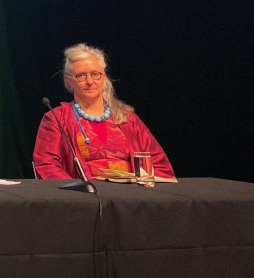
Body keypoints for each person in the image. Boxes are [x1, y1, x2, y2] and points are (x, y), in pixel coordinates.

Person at [33, 43, 174, 180]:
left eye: (96, 74)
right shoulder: (56, 119)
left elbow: (159, 164)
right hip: (86, 198)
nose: (90, 81)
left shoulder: (128, 119)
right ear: (69, 81)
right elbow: (47, 165)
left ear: (104, 77)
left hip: (131, 197)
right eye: (81, 75)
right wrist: (78, 192)